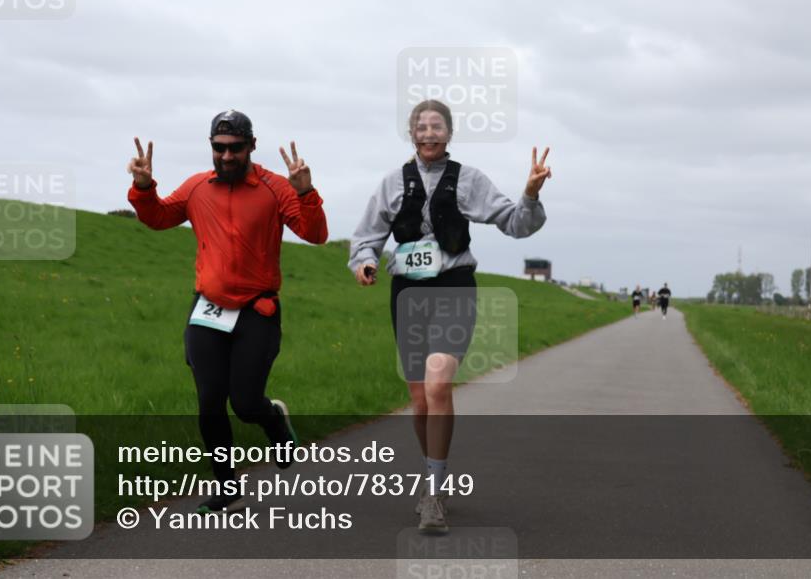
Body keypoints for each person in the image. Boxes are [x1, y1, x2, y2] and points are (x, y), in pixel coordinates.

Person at [348, 99, 550, 534]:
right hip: (407, 294)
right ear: (411, 133)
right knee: (421, 400)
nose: (428, 133)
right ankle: (433, 475)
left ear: (449, 133)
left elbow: (516, 223)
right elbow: (366, 237)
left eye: (437, 126)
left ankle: (434, 495)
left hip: (453, 287)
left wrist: (530, 193)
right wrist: (365, 262)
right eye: (420, 126)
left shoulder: (468, 180)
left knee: (440, 379)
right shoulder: (392, 183)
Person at [126, 109, 328, 513]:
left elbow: (315, 234)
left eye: (236, 148)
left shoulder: (275, 189)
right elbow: (160, 218)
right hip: (208, 310)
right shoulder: (198, 187)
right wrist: (144, 187)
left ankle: (274, 421)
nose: (228, 156)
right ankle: (227, 485)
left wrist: (306, 193)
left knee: (246, 403)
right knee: (210, 401)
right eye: (220, 148)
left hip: (258, 309)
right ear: (212, 148)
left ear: (251, 146)